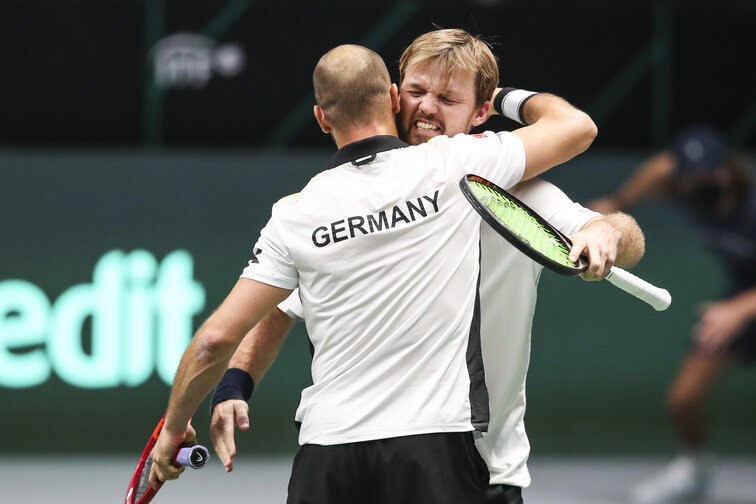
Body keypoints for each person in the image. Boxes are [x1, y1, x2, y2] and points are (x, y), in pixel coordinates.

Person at [149, 41, 599, 504]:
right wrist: (502, 95)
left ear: (322, 118)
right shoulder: (456, 166)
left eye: (445, 97)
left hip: (327, 455)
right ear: (392, 96)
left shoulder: (295, 214)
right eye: (417, 91)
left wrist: (176, 424)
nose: (427, 106)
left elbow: (214, 340)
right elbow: (577, 127)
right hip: (432, 448)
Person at [589, 125, 756, 504]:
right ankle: (695, 470)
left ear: (725, 170)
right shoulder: (680, 184)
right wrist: (618, 202)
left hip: (741, 304)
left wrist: (739, 310)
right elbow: (657, 169)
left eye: (704, 174)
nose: (694, 182)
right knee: (683, 398)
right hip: (738, 300)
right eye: (687, 175)